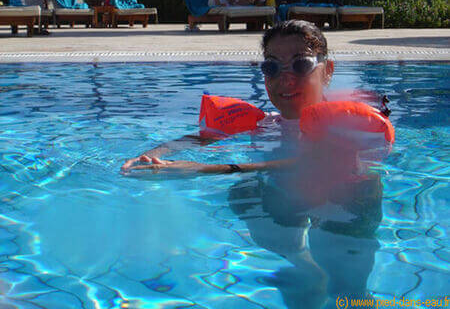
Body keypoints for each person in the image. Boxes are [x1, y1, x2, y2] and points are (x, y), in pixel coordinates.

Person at [122, 21, 382, 306]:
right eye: (272, 67)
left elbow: (307, 163)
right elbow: (201, 138)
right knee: (244, 193)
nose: (285, 79)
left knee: (348, 292)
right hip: (286, 201)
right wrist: (152, 153)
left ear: (328, 70)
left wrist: (200, 170)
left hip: (343, 205)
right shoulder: (265, 124)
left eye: (300, 65)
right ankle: (304, 263)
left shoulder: (346, 124)